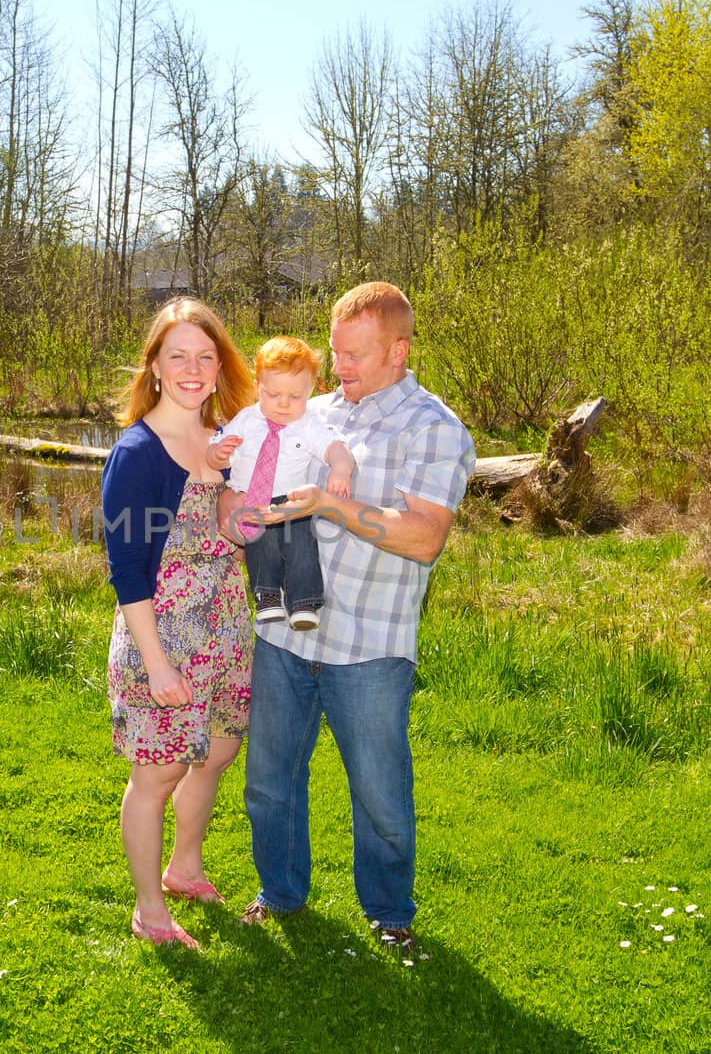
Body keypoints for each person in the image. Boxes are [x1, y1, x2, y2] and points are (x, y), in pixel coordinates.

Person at [220, 282, 476, 951]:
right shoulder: (314, 410)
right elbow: (246, 470)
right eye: (335, 352)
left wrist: (330, 506)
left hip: (370, 644)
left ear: (400, 349)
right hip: (282, 633)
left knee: (379, 794)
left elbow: (423, 536)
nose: (341, 369)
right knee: (269, 782)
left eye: (356, 355)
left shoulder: (435, 426)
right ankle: (280, 892)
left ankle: (390, 912)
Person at [101, 296, 256, 949]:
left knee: (219, 750)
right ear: (155, 367)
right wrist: (157, 662)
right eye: (177, 356)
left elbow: (236, 529)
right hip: (162, 637)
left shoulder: (229, 440)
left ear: (220, 366)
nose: (192, 368)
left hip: (225, 629)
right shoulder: (138, 452)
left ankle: (184, 867)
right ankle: (149, 911)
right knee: (157, 773)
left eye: (205, 355)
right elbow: (127, 569)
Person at [205, 336, 354, 632]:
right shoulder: (246, 420)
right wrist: (218, 455)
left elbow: (335, 446)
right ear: (258, 385)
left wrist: (341, 467)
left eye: (295, 396)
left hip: (291, 502)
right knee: (260, 549)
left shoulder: (309, 423)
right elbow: (216, 451)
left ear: (310, 389)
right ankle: (267, 596)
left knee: (301, 547)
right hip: (251, 499)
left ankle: (305, 601)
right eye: (273, 395)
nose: (284, 404)